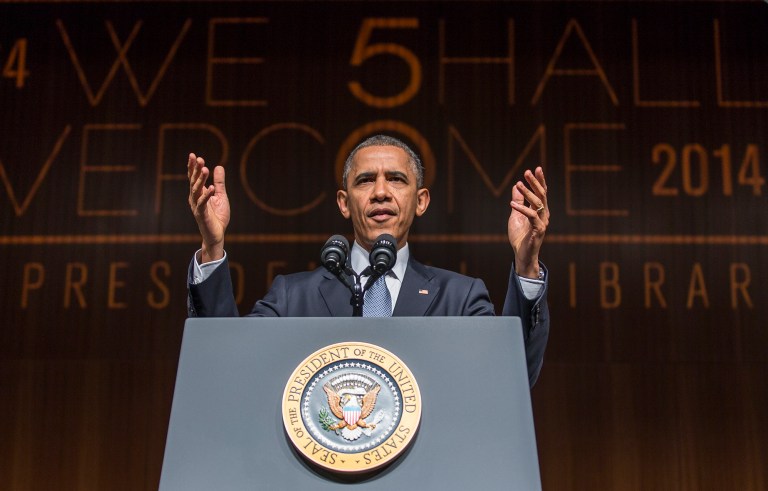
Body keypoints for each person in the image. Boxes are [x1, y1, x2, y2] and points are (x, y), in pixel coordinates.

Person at [186, 135, 550, 386]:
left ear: (421, 201)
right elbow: (228, 364)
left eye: (395, 179)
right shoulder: (292, 297)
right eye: (364, 181)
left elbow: (510, 377)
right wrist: (213, 247)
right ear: (344, 203)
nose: (380, 192)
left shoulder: (461, 298)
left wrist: (527, 265)